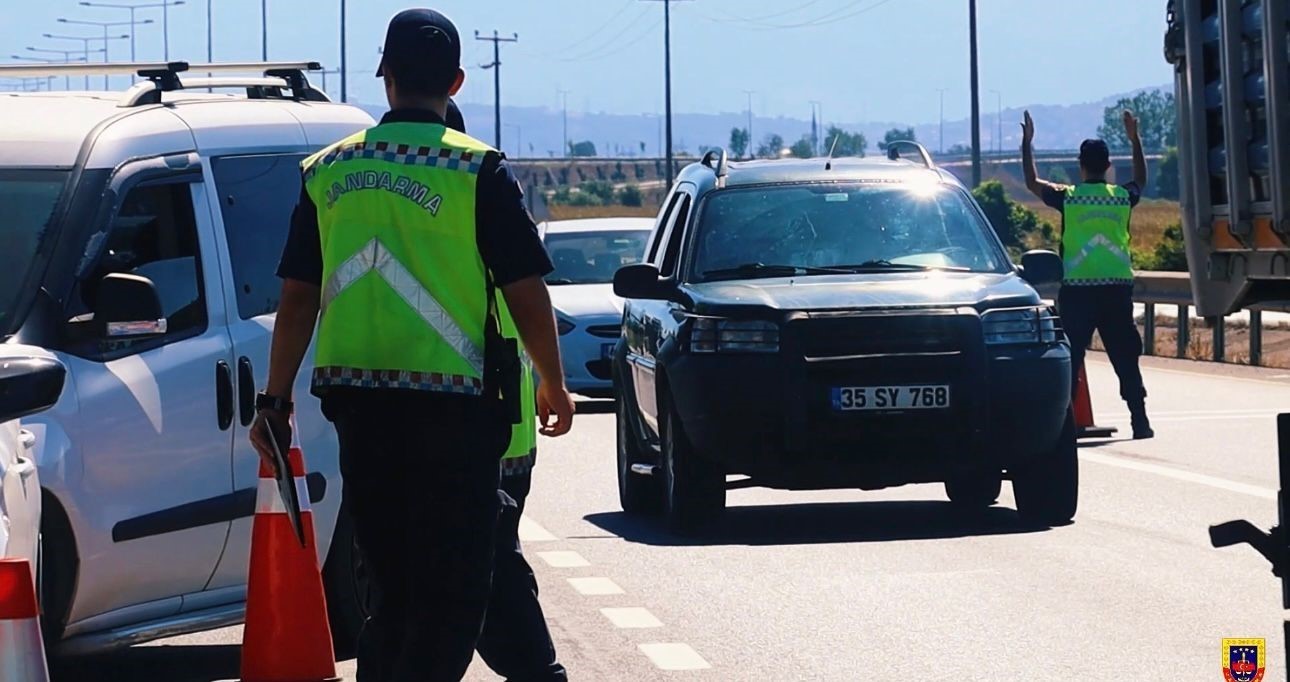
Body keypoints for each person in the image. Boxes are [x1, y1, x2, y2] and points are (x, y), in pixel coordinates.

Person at [248, 8, 575, 681]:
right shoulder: (477, 172)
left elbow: (297, 298)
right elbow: (524, 289)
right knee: (452, 595)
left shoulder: (328, 172)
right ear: (456, 81)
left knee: (392, 591)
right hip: (453, 413)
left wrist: (273, 399)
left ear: (385, 76)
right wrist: (552, 380)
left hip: (361, 409)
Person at [442, 87, 568, 682]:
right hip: (501, 424)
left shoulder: (459, 198)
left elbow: (522, 295)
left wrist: (551, 379)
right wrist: (550, 379)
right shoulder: (480, 190)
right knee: (486, 559)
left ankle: (538, 672)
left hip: (484, 423)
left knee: (486, 564)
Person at [1021, 109, 1153, 439]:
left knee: (1071, 358)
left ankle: (1062, 426)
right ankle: (1140, 421)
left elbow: (1031, 182)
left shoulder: (1069, 197)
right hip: (1116, 290)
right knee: (1125, 358)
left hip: (1078, 292)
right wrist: (1135, 140)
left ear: (1080, 166)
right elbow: (1141, 179)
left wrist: (1027, 144)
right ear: (1108, 166)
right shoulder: (1122, 198)